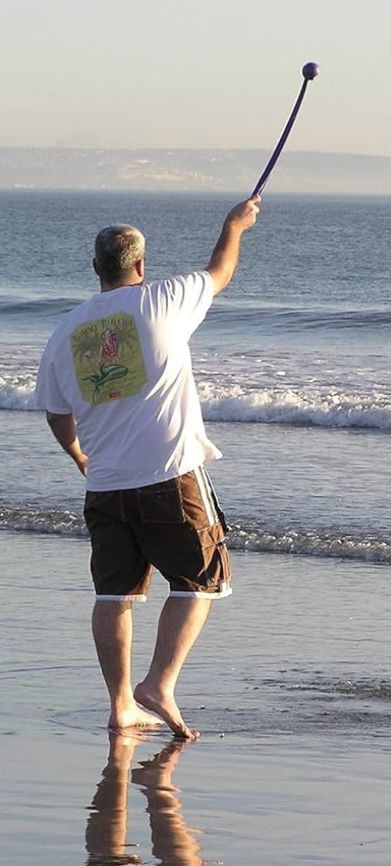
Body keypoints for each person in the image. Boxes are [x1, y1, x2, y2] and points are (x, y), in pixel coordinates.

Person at [35, 195, 261, 740]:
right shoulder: (164, 298)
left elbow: (56, 409)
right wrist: (234, 225)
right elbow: (220, 271)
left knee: (115, 594)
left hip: (106, 485)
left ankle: (120, 706)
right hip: (169, 475)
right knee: (203, 580)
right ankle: (158, 684)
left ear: (96, 269)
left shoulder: (67, 329)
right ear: (141, 265)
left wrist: (79, 457)